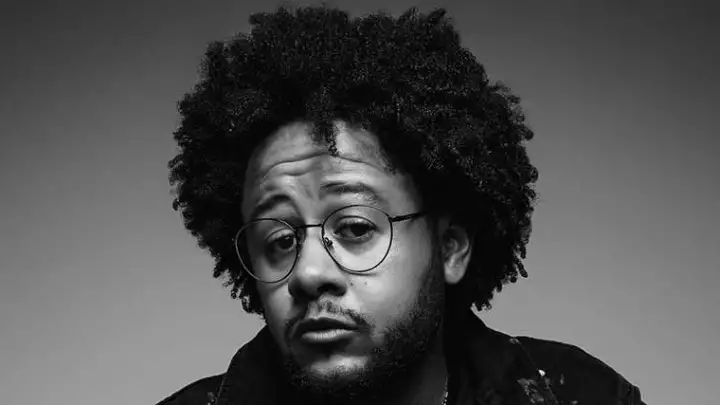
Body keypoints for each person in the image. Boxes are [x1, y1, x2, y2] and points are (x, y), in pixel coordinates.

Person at [160, 5, 645, 405]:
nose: (307, 274)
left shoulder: (583, 396)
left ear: (450, 247)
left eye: (354, 228)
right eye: (280, 240)